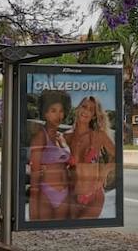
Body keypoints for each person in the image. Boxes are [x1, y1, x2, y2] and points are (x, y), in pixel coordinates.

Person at [66, 95, 116, 219]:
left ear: (94, 115)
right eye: (84, 107)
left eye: (91, 109)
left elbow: (117, 156)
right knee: (71, 234)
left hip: (94, 195)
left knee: (83, 231)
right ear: (78, 109)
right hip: (71, 195)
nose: (86, 111)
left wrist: (104, 173)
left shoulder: (99, 136)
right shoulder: (66, 137)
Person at [27, 91, 71, 221]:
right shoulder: (40, 137)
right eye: (53, 111)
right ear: (45, 113)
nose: (59, 115)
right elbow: (34, 172)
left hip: (64, 192)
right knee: (42, 234)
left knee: (59, 235)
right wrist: (33, 202)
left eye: (61, 111)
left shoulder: (61, 136)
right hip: (46, 191)